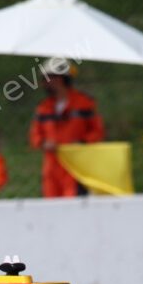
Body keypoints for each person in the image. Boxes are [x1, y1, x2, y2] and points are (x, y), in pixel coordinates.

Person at [29, 57, 105, 198]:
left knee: (75, 205)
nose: (43, 83)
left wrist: (81, 143)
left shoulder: (84, 103)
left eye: (46, 79)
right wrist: (44, 143)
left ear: (59, 79)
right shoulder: (43, 107)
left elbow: (97, 132)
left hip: (77, 166)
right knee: (51, 207)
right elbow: (35, 136)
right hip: (52, 168)